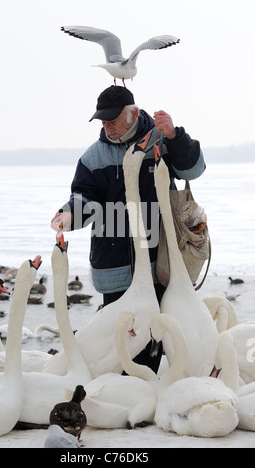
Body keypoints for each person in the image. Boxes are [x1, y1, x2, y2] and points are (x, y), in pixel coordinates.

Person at [51, 85, 206, 372]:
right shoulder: (93, 158)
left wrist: (175, 135)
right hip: (115, 265)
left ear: (133, 113)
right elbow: (85, 197)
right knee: (123, 333)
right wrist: (69, 214)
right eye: (103, 121)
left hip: (159, 259)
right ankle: (125, 389)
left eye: (113, 120)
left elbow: (193, 170)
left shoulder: (161, 140)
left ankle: (146, 388)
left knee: (156, 332)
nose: (107, 126)